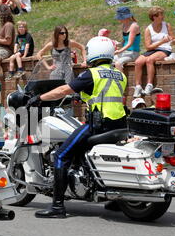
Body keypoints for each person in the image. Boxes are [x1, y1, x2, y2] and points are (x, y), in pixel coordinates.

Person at [27, 36, 127, 218]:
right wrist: (81, 97)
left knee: (60, 155)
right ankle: (116, 200)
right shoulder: (120, 75)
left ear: (93, 53)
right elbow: (104, 94)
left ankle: (57, 207)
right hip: (119, 126)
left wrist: (39, 98)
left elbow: (63, 90)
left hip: (98, 126)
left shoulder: (92, 74)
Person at [133, 6, 175, 98]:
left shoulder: (167, 25)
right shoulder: (148, 29)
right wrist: (161, 41)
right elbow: (148, 47)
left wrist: (172, 40)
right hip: (153, 49)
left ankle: (149, 85)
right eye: (161, 15)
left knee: (149, 60)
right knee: (138, 62)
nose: (163, 16)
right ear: (154, 17)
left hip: (165, 49)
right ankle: (138, 86)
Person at [113, 6, 141, 73]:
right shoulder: (124, 25)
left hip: (133, 53)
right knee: (109, 60)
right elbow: (125, 41)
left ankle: (120, 82)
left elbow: (130, 43)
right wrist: (117, 43)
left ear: (125, 17)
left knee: (118, 63)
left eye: (120, 17)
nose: (118, 19)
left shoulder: (134, 26)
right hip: (125, 52)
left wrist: (119, 51)